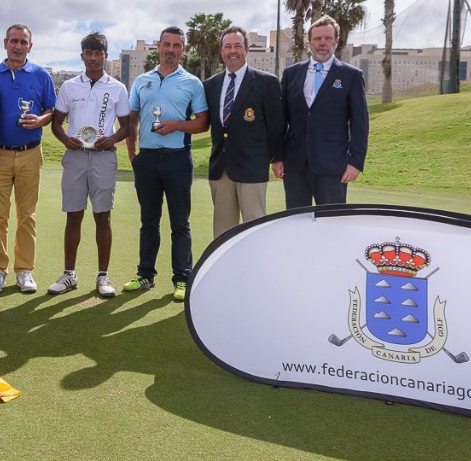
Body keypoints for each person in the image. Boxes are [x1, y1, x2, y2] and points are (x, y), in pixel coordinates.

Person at [124, 26, 208, 302]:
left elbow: (202, 122)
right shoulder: (141, 80)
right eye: (167, 44)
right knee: (148, 221)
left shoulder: (193, 83)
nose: (171, 50)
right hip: (146, 159)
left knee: (179, 223)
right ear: (158, 46)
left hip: (177, 160)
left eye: (177, 45)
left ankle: (182, 277)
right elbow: (131, 119)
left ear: (183, 49)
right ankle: (145, 274)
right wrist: (133, 154)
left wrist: (176, 125)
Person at [48, 32, 130, 298]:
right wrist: (66, 140)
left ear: (106, 56)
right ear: (82, 55)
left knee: (102, 215)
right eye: (89, 53)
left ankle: (103, 276)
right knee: (74, 214)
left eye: (98, 53)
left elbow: (127, 126)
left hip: (104, 158)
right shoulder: (70, 86)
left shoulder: (117, 87)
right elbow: (56, 122)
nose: (93, 58)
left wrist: (112, 140)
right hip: (75, 157)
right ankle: (69, 274)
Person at [0, 24, 57, 294]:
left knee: (27, 215)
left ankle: (24, 270)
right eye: (13, 41)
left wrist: (41, 119)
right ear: (5, 43)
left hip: (30, 152)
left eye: (23, 42)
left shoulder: (41, 75)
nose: (18, 45)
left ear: (30, 46)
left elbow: (51, 110)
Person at [272, 15, 369, 208]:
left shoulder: (351, 76)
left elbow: (360, 123)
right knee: (296, 222)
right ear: (309, 42)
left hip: (333, 166)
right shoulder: (292, 74)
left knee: (332, 224)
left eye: (327, 38)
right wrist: (278, 157)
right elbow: (281, 120)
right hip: (295, 165)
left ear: (336, 41)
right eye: (317, 39)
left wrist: (356, 162)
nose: (322, 43)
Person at [203, 26, 286, 238]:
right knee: (222, 234)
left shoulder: (266, 83)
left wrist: (276, 158)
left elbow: (277, 126)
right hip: (221, 170)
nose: (232, 51)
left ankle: (255, 271)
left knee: (254, 232)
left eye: (237, 46)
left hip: (252, 169)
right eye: (227, 46)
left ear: (246, 49)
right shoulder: (210, 85)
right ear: (221, 51)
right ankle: (225, 271)